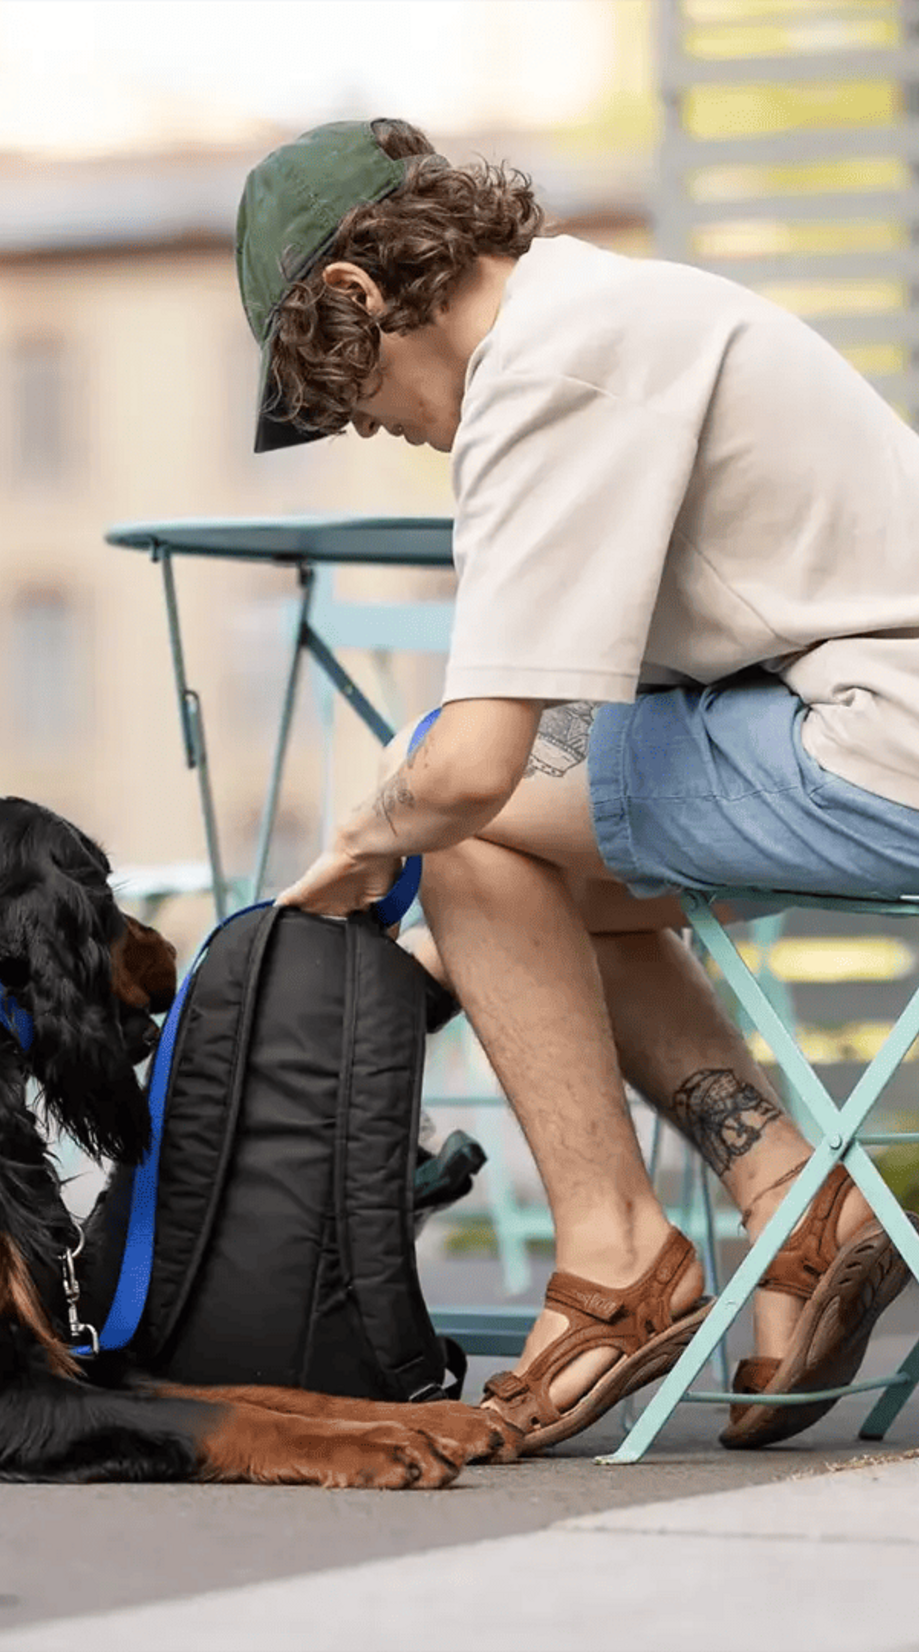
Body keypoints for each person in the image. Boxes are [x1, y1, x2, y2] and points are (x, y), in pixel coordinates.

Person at [237, 116, 919, 1451]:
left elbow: (476, 769)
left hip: (877, 747)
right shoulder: (593, 313)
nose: (364, 428)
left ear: (355, 297)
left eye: (334, 387)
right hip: (852, 727)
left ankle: (618, 1258)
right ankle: (784, 1188)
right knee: (499, 832)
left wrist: (356, 854)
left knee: (467, 826)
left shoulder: (547, 373)